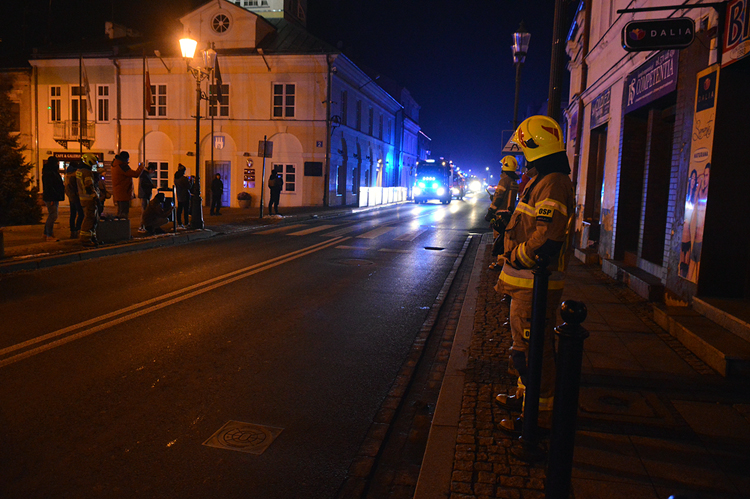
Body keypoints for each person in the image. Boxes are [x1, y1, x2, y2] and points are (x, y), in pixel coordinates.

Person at [493, 115, 576, 433]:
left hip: (534, 283)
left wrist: (516, 255)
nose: (523, 156)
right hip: (525, 283)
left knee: (534, 353)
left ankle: (537, 418)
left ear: (536, 148)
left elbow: (547, 236)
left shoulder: (553, 182)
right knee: (524, 350)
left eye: (525, 149)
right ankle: (525, 398)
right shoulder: (544, 179)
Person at [485, 155, 520, 270]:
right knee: (506, 239)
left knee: (499, 239)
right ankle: (505, 260)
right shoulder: (513, 181)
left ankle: (500, 263)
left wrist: (491, 211)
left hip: (500, 214)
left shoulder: (504, 180)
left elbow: (499, 197)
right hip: (509, 213)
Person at [76, 153, 102, 247]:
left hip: (83, 198)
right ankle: (85, 239)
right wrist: (95, 196)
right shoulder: (87, 172)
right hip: (89, 199)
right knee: (90, 219)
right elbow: (89, 186)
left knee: (90, 218)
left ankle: (92, 237)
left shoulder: (79, 171)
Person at [111, 151, 144, 219]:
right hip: (124, 192)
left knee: (120, 211)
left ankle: (119, 226)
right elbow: (135, 174)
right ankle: (122, 227)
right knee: (123, 213)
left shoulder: (115, 164)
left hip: (118, 192)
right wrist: (141, 168)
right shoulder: (122, 166)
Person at [41, 155, 65, 241]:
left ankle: (46, 233)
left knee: (52, 215)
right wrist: (52, 198)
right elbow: (49, 187)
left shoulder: (50, 172)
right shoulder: (49, 173)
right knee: (53, 215)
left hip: (53, 196)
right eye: (56, 163)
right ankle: (49, 235)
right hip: (51, 197)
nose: (58, 164)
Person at [64, 162, 84, 239]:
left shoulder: (67, 175)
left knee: (73, 214)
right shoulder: (75, 175)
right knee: (81, 213)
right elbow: (78, 187)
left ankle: (73, 231)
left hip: (71, 197)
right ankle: (77, 229)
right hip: (76, 197)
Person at [138, 164, 156, 232]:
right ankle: (141, 226)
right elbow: (143, 184)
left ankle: (143, 226)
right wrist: (151, 185)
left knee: (145, 211)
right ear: (150, 169)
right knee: (144, 212)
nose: (153, 172)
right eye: (153, 171)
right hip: (144, 195)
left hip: (145, 195)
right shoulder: (144, 174)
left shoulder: (145, 174)